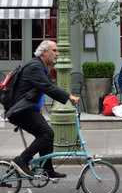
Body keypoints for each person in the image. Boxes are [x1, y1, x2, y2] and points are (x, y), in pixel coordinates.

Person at [7, 40, 80, 179]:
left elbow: (46, 87)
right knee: (46, 134)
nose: (57, 54)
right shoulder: (35, 67)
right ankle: (21, 160)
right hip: (21, 112)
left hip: (29, 111)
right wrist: (69, 97)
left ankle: (47, 170)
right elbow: (49, 88)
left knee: (47, 135)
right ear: (44, 52)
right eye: (55, 51)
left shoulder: (41, 67)